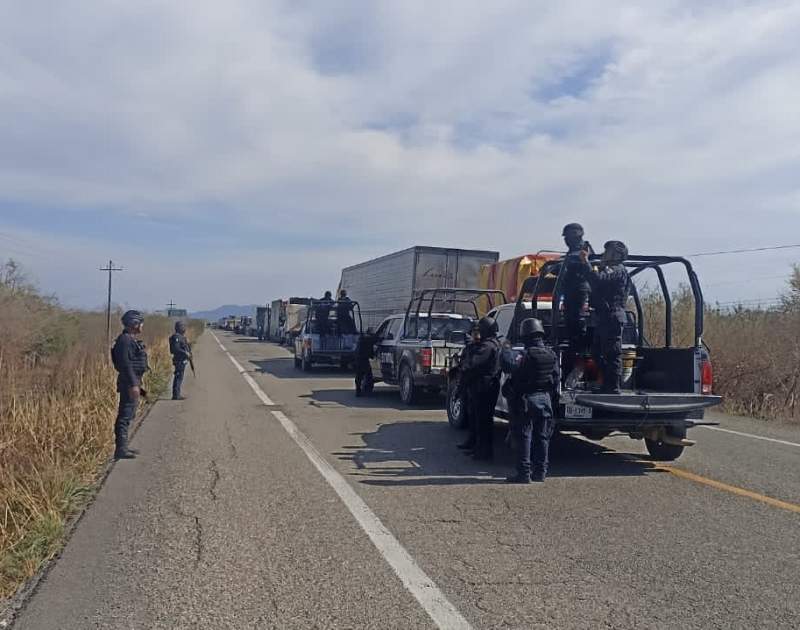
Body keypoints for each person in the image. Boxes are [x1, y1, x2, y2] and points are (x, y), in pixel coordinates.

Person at [502, 318, 559, 483]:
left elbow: (508, 364)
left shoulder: (524, 355)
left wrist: (505, 349)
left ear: (525, 335)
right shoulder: (551, 354)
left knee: (524, 436)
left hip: (526, 399)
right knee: (542, 437)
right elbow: (555, 379)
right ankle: (540, 472)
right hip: (544, 399)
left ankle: (524, 473)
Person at [580, 240, 631, 394]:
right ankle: (607, 382)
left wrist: (586, 263)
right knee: (596, 352)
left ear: (617, 255)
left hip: (613, 316)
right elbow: (595, 282)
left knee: (612, 353)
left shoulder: (617, 269)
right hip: (604, 317)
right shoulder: (608, 269)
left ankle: (613, 387)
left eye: (608, 252)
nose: (604, 254)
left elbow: (598, 279)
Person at [460, 317, 502, 461]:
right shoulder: (491, 344)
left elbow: (472, 363)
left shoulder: (487, 346)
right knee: (480, 420)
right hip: (484, 386)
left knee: (483, 421)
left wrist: (470, 348)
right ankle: (479, 448)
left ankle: (484, 452)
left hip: (484, 387)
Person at [110, 310, 149, 460]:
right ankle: (121, 449)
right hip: (129, 383)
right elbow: (125, 365)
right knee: (125, 416)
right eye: (140, 323)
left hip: (133, 381)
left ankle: (124, 446)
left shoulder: (129, 339)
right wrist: (133, 385)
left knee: (129, 414)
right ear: (134, 324)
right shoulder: (125, 341)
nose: (142, 326)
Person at [561, 223, 593, 357]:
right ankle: (574, 345)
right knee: (570, 321)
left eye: (567, 237)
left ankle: (581, 347)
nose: (565, 240)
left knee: (579, 320)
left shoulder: (584, 250)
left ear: (574, 236)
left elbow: (584, 267)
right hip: (570, 292)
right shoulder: (571, 251)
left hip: (579, 291)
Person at [169, 321, 192, 400]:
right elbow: (176, 349)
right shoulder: (176, 337)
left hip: (181, 360)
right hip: (179, 360)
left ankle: (177, 394)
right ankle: (176, 395)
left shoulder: (181, 337)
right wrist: (185, 353)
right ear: (179, 328)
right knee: (178, 377)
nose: (184, 328)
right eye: (182, 327)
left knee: (180, 377)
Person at [354, 327, 377, 396]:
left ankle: (358, 390)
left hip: (358, 359)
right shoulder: (368, 339)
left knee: (359, 375)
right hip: (363, 359)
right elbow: (375, 340)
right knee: (369, 375)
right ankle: (367, 390)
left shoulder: (362, 338)